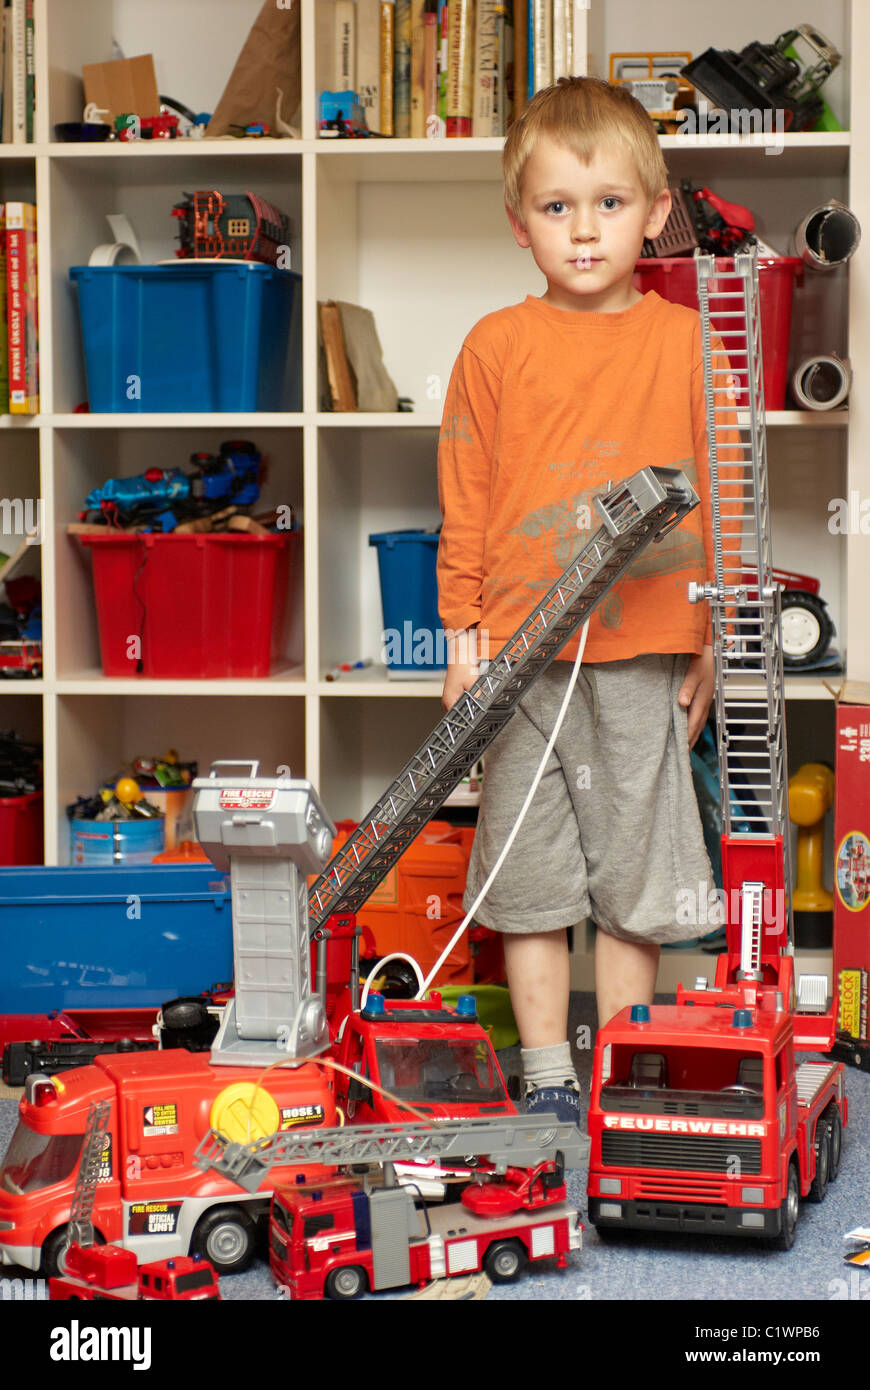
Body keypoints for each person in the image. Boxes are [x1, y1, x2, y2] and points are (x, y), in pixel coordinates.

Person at [436, 76, 730, 1124]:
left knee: (633, 870)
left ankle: (618, 1068)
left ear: (654, 213)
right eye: (558, 208)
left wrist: (714, 639)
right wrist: (463, 634)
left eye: (609, 202)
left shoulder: (691, 345)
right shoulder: (494, 347)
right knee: (529, 867)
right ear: (521, 226)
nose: (585, 229)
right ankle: (548, 1078)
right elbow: (464, 497)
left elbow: (726, 499)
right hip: (521, 657)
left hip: (647, 648)